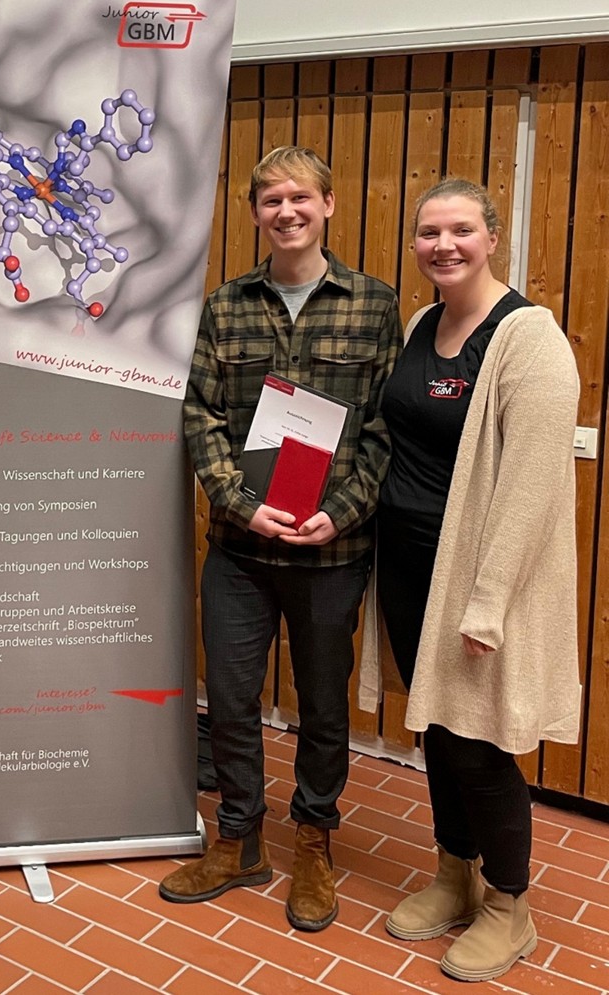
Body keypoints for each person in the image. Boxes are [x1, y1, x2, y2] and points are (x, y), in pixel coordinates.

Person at [162, 146, 402, 932]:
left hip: (332, 552)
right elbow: (199, 414)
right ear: (255, 212)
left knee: (323, 707)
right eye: (271, 201)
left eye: (301, 198)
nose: (287, 212)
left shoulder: (373, 304)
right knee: (229, 701)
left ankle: (313, 843)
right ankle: (240, 841)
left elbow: (382, 429)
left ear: (329, 204)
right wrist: (238, 500)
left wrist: (344, 510)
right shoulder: (226, 305)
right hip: (240, 549)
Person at [364, 178, 581, 982]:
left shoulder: (530, 341)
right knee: (439, 733)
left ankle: (508, 905)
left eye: (460, 229)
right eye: (428, 232)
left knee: (482, 744)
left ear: (492, 237)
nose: (442, 245)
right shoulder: (423, 323)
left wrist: (486, 604)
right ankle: (454, 872)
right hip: (412, 568)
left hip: (480, 583)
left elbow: (529, 491)